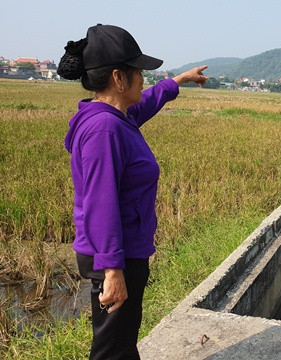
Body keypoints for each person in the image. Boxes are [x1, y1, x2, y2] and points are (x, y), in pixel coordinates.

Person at [58, 24, 207, 359]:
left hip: (124, 252)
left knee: (122, 344)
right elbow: (100, 203)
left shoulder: (117, 116)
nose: (144, 79)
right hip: (114, 256)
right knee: (112, 349)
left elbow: (146, 103)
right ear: (118, 77)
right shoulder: (103, 129)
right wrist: (113, 271)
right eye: (139, 72)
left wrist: (179, 81)